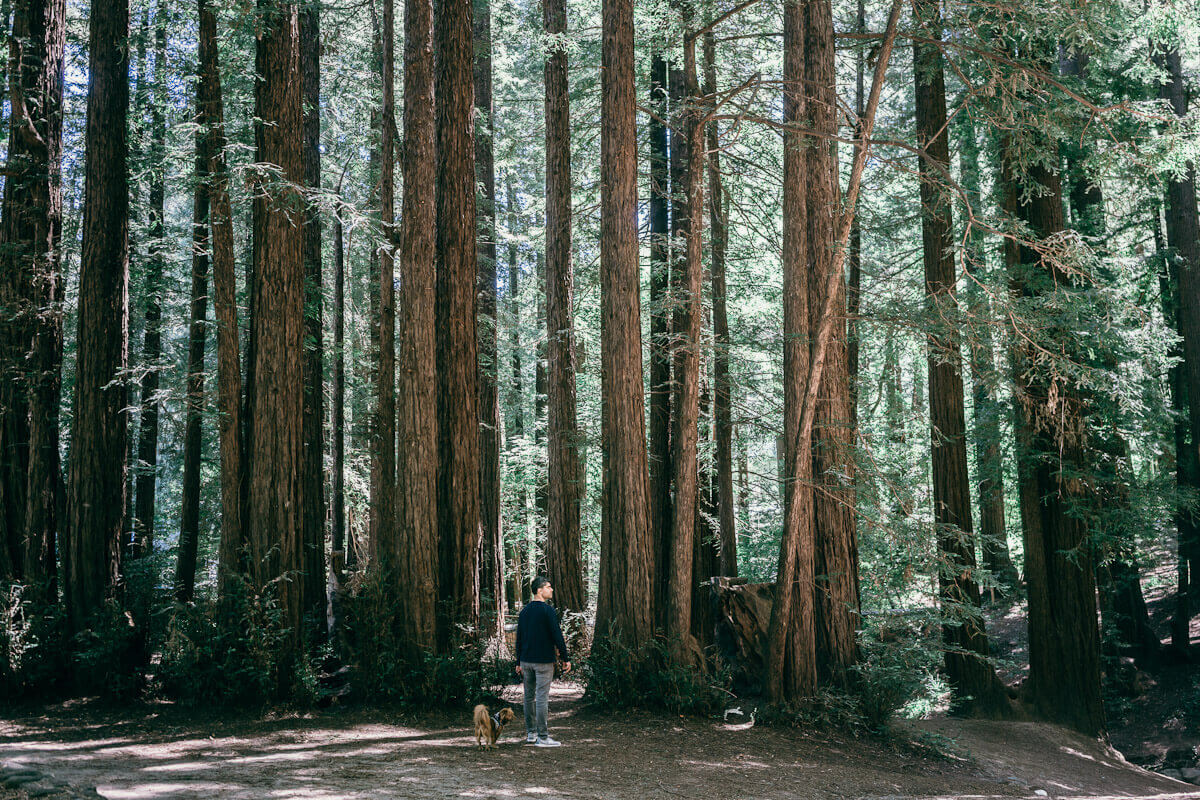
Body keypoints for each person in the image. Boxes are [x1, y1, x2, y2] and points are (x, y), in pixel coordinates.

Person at [515, 576, 571, 747]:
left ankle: (531, 734)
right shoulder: (548, 611)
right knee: (541, 698)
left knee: (529, 697)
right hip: (543, 662)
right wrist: (565, 658)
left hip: (526, 661)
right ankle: (543, 737)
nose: (551, 589)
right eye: (548, 587)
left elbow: (519, 638)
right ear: (539, 590)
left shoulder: (524, 612)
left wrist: (518, 661)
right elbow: (557, 636)